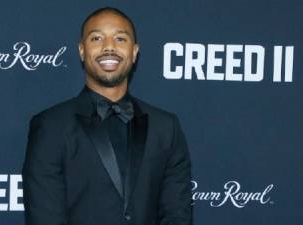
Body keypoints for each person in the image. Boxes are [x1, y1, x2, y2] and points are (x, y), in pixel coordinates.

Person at [22, 6, 193, 225]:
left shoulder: (166, 127)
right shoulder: (50, 126)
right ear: (82, 50)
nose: (109, 47)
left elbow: (177, 214)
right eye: (97, 38)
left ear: (134, 52)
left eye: (120, 39)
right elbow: (45, 217)